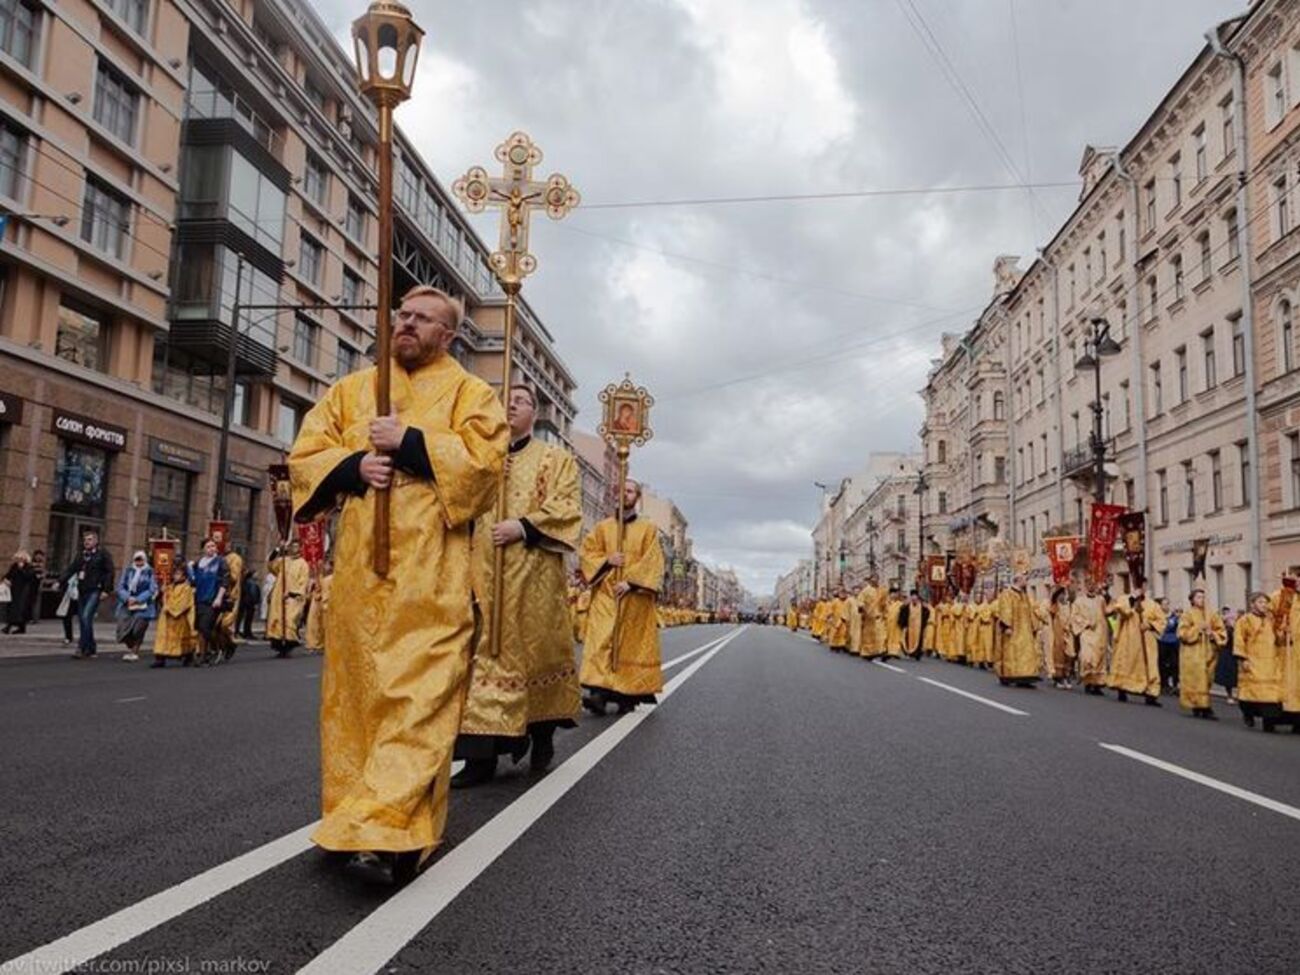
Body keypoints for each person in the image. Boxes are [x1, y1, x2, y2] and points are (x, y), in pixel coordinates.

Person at [288, 283, 507, 884]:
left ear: (449, 335)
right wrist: (354, 466)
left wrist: (408, 443)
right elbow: (305, 452)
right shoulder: (352, 390)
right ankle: (349, 815)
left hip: (432, 577)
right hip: (361, 575)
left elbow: (485, 469)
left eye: (422, 319)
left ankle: (395, 827)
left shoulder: (471, 394)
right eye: (402, 314)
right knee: (356, 704)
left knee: (418, 702)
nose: (406, 324)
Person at [454, 384, 583, 787]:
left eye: (521, 401)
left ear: (535, 413)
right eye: (504, 399)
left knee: (535, 658)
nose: (510, 404)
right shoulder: (481, 459)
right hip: (483, 578)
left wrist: (524, 526)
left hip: (532, 580)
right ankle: (479, 761)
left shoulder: (556, 459)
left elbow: (567, 508)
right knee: (480, 661)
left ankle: (541, 733)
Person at [579, 478, 665, 715]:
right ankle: (598, 692)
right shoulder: (603, 527)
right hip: (606, 596)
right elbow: (587, 553)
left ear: (637, 497)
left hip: (634, 599)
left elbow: (653, 561)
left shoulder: (648, 529)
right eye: (621, 490)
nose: (625, 494)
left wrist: (631, 582)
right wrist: (607, 561)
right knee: (601, 641)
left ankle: (627, 693)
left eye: (630, 491)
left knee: (628, 645)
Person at [60, 529, 114, 659]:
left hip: (95, 589)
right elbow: (72, 568)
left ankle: (81, 647)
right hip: (82, 589)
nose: (87, 542)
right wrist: (60, 581)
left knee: (85, 617)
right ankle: (91, 647)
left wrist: (106, 589)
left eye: (89, 540)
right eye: (85, 540)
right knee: (85, 620)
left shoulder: (102, 554)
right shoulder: (82, 555)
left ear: (96, 541)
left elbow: (109, 572)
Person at [1233, 592, 1283, 731]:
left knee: (1271, 695)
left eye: (1265, 602)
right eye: (1260, 602)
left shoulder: (1271, 620)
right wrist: (1243, 659)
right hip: (1253, 660)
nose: (1264, 605)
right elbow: (1239, 640)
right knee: (1249, 693)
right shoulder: (1244, 620)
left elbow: (1278, 639)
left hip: (1271, 662)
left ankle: (1269, 723)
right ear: (1252, 604)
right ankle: (1248, 713)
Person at [1106, 584, 1162, 706]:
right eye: (1138, 586)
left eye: (1143, 587)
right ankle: (1122, 689)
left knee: (1150, 666)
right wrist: (1132, 599)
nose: (1141, 589)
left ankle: (1150, 694)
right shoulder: (1124, 599)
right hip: (1128, 639)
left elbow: (1161, 620)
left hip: (1146, 641)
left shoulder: (1153, 605)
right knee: (1126, 663)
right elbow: (1123, 611)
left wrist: (1149, 625)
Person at [1177, 587, 1227, 720]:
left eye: (1203, 597)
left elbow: (1221, 631)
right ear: (1192, 600)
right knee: (1197, 680)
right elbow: (1182, 634)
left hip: (1209, 652)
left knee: (1208, 679)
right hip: (1193, 654)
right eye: (1198, 597)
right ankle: (1203, 706)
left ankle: (1202, 704)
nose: (1201, 600)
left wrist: (1213, 635)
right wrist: (1198, 629)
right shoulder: (1187, 614)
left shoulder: (1212, 614)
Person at [994, 574, 1042, 687]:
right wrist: (1007, 626)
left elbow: (1031, 611)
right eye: (1025, 579)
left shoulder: (1025, 595)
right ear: (1018, 580)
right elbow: (1005, 609)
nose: (1027, 581)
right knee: (1012, 652)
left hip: (1026, 630)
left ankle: (1027, 676)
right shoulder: (1008, 594)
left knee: (1028, 653)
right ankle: (1011, 674)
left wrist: (1034, 626)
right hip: (1014, 630)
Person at [188, 539, 229, 665]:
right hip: (199, 599)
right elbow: (193, 581)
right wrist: (189, 568)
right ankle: (205, 655)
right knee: (200, 628)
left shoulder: (221, 562)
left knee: (205, 627)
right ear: (203, 549)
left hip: (213, 600)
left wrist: (219, 598)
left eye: (213, 546)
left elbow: (225, 581)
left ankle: (217, 648)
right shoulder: (199, 563)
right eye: (208, 546)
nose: (211, 548)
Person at [265, 540, 310, 657]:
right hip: (279, 595)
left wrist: (291, 593)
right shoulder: (283, 561)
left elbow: (303, 582)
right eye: (292, 546)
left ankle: (289, 646)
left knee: (289, 620)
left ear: (300, 548)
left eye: (297, 546)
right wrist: (277, 550)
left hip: (293, 597)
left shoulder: (303, 564)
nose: (294, 548)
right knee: (277, 620)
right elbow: (271, 566)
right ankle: (280, 647)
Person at [114, 551, 158, 662]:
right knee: (122, 628)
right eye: (137, 559)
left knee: (138, 627)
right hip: (127, 603)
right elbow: (120, 587)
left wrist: (138, 599)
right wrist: (127, 598)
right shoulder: (128, 571)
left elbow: (152, 589)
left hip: (143, 605)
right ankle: (131, 646)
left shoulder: (150, 572)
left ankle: (134, 651)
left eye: (141, 559)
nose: (139, 562)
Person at [1071, 579, 1110, 696]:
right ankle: (1088, 682)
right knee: (1087, 657)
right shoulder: (1079, 601)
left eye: (1093, 584)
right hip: (1087, 632)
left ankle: (1097, 684)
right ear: (1085, 586)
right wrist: (1085, 623)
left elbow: (1106, 611)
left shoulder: (1101, 600)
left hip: (1100, 632)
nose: (1091, 587)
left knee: (1099, 658)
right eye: (1089, 584)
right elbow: (1074, 616)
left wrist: (1108, 596)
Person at [152, 564, 196, 667]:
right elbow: (163, 600)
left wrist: (170, 609)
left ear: (184, 576)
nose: (175, 576)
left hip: (178, 618)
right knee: (162, 637)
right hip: (166, 618)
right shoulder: (169, 586)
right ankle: (160, 658)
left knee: (180, 638)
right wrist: (163, 593)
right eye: (175, 574)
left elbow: (184, 603)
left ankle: (187, 656)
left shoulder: (186, 588)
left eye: (178, 574)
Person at [215, 547, 245, 661]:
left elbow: (233, 578)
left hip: (230, 596)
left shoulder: (234, 558)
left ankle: (229, 644)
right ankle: (217, 649)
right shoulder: (214, 557)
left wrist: (224, 569)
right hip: (213, 595)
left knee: (223, 625)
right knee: (212, 626)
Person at [3, 551, 40, 635]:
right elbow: (8, 575)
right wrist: (6, 580)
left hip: (24, 591)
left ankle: (12, 627)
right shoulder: (14, 566)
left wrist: (21, 569)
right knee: (13, 608)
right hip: (14, 589)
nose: (18, 560)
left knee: (20, 610)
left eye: (20, 559)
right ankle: (15, 627)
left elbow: (28, 577)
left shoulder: (29, 567)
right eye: (17, 559)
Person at [1048, 587, 1075, 689]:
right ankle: (1058, 678)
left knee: (1069, 653)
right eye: (1061, 594)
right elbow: (1053, 599)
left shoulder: (1069, 605)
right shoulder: (1055, 605)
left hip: (1068, 632)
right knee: (1059, 654)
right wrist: (1060, 587)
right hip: (1058, 631)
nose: (1063, 596)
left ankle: (1067, 676)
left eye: (1065, 594)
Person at [304, 559, 333, 654]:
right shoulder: (321, 577)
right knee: (313, 625)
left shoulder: (332, 578)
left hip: (327, 604)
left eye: (326, 565)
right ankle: (313, 644)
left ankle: (325, 645)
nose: (324, 567)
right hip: (316, 603)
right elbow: (315, 590)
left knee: (325, 626)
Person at [1156, 597, 1181, 695]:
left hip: (1173, 642)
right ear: (1160, 606)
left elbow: (1178, 627)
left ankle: (1175, 684)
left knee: (1175, 664)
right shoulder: (1158, 617)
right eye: (1164, 604)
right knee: (1162, 664)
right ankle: (1164, 684)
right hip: (1162, 641)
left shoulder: (1173, 616)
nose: (1166, 606)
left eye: (1167, 604)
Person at [897, 589, 929, 660]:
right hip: (909, 626)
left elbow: (927, 613)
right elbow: (902, 612)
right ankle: (909, 652)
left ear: (917, 598)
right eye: (913, 597)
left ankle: (917, 653)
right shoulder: (907, 606)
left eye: (915, 597)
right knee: (907, 639)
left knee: (919, 639)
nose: (914, 599)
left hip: (918, 626)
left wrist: (926, 609)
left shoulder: (922, 606)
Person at [238, 568, 261, 639]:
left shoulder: (246, 581)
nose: (258, 575)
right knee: (249, 619)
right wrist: (255, 603)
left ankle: (245, 632)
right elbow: (253, 593)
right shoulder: (252, 583)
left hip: (245, 602)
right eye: (256, 573)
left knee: (246, 618)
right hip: (250, 603)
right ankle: (248, 633)